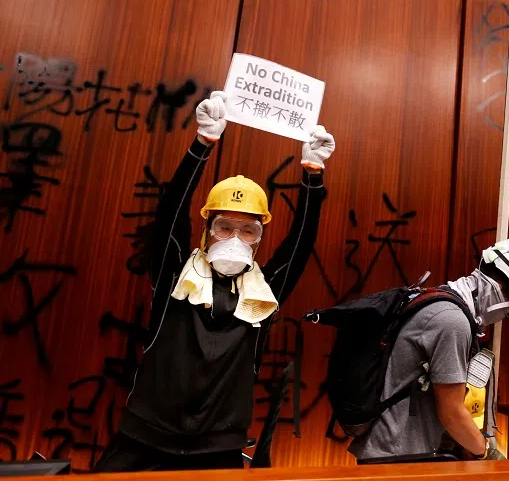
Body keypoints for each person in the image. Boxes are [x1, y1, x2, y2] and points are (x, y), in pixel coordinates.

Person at [94, 91, 334, 472]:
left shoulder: (263, 293)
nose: (235, 239)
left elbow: (299, 246)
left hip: (218, 448)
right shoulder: (175, 276)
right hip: (145, 439)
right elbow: (169, 216)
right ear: (207, 229)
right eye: (224, 227)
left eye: (248, 230)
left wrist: (312, 176)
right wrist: (201, 145)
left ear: (259, 238)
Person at [349, 238, 509, 462]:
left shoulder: (439, 299)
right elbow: (451, 413)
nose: (505, 317)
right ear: (500, 290)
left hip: (392, 449)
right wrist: (487, 453)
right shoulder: (452, 321)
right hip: (397, 456)